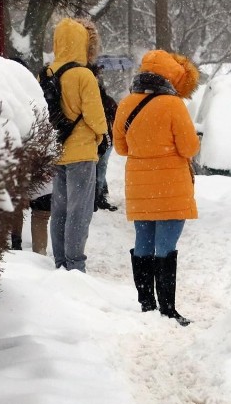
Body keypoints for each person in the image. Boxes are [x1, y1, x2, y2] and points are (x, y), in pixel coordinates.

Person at [113, 50, 200, 326]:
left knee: (143, 243)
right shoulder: (174, 106)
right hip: (171, 187)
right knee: (165, 246)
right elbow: (188, 147)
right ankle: (168, 308)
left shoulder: (126, 104)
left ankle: (146, 305)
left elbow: (121, 147)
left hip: (139, 187)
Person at [46, 17, 108, 272]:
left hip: (57, 148)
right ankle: (75, 264)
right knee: (79, 211)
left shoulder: (48, 71)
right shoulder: (83, 74)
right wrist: (101, 136)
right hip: (81, 151)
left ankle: (60, 260)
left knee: (59, 209)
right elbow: (96, 117)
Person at [92, 65, 119, 212]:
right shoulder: (107, 101)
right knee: (100, 168)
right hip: (106, 139)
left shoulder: (100, 100)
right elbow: (117, 119)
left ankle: (98, 194)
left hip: (99, 139)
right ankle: (99, 195)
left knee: (98, 167)